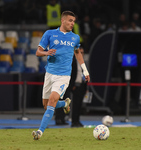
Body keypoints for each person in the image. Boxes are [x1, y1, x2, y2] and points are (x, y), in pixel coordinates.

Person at [32, 11, 90, 140]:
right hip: (49, 73)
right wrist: (47, 53)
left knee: (52, 100)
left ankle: (39, 132)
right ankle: (64, 104)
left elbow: (78, 53)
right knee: (46, 105)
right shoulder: (50, 34)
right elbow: (38, 52)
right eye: (70, 20)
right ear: (62, 21)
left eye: (73, 21)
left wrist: (85, 70)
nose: (72, 23)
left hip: (63, 75)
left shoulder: (75, 37)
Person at [71, 46, 87, 127]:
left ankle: (77, 120)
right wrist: (72, 85)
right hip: (75, 86)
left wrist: (86, 87)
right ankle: (74, 121)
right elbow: (71, 74)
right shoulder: (73, 62)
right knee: (75, 104)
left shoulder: (83, 63)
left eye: (82, 52)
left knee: (80, 104)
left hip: (82, 85)